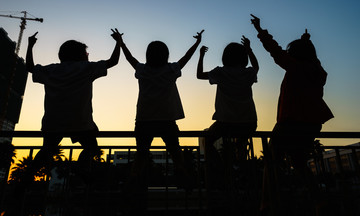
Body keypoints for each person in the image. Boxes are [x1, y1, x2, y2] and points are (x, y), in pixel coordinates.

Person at [250, 14, 334, 215]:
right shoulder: (317, 70)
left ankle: (266, 202)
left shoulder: (295, 67)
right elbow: (310, 56)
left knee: (271, 161)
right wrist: (306, 42)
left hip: (291, 121)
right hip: (312, 123)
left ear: (294, 54)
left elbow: (275, 50)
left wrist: (260, 31)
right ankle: (319, 201)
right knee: (299, 163)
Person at [24, 29, 123, 185]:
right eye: (86, 53)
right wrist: (119, 42)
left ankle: (23, 182)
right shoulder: (86, 68)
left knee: (45, 151)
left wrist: (30, 46)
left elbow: (30, 67)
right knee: (92, 147)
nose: (88, 55)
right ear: (81, 55)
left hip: (53, 122)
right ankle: (80, 167)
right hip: (80, 122)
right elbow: (113, 61)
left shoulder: (51, 70)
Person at [120, 30, 203, 193]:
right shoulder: (170, 70)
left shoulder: (143, 70)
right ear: (166, 55)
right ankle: (183, 173)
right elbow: (186, 58)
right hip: (167, 118)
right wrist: (197, 43)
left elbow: (130, 58)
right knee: (175, 150)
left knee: (141, 153)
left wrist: (121, 43)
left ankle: (133, 179)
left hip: (144, 119)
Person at [197, 37, 259, 214]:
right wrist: (249, 49)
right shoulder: (248, 73)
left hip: (226, 122)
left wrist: (201, 56)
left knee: (208, 141)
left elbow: (199, 75)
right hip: (248, 122)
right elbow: (256, 68)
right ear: (243, 58)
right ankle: (238, 168)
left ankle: (225, 168)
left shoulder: (221, 72)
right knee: (240, 147)